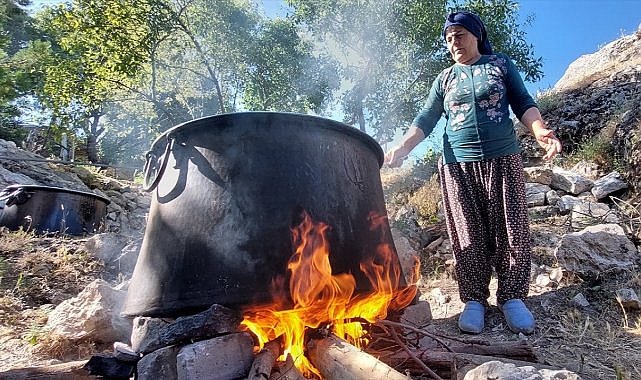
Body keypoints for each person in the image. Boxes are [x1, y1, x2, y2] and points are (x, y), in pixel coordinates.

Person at [384, 10, 562, 335]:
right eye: (449, 38)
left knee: (511, 227)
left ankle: (511, 298)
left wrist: (539, 130)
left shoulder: (500, 65)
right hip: (457, 163)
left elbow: (522, 102)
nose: (454, 42)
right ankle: (474, 300)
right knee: (467, 232)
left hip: (502, 158)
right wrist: (403, 148)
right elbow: (426, 118)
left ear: (475, 35)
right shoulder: (445, 79)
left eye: (460, 35)